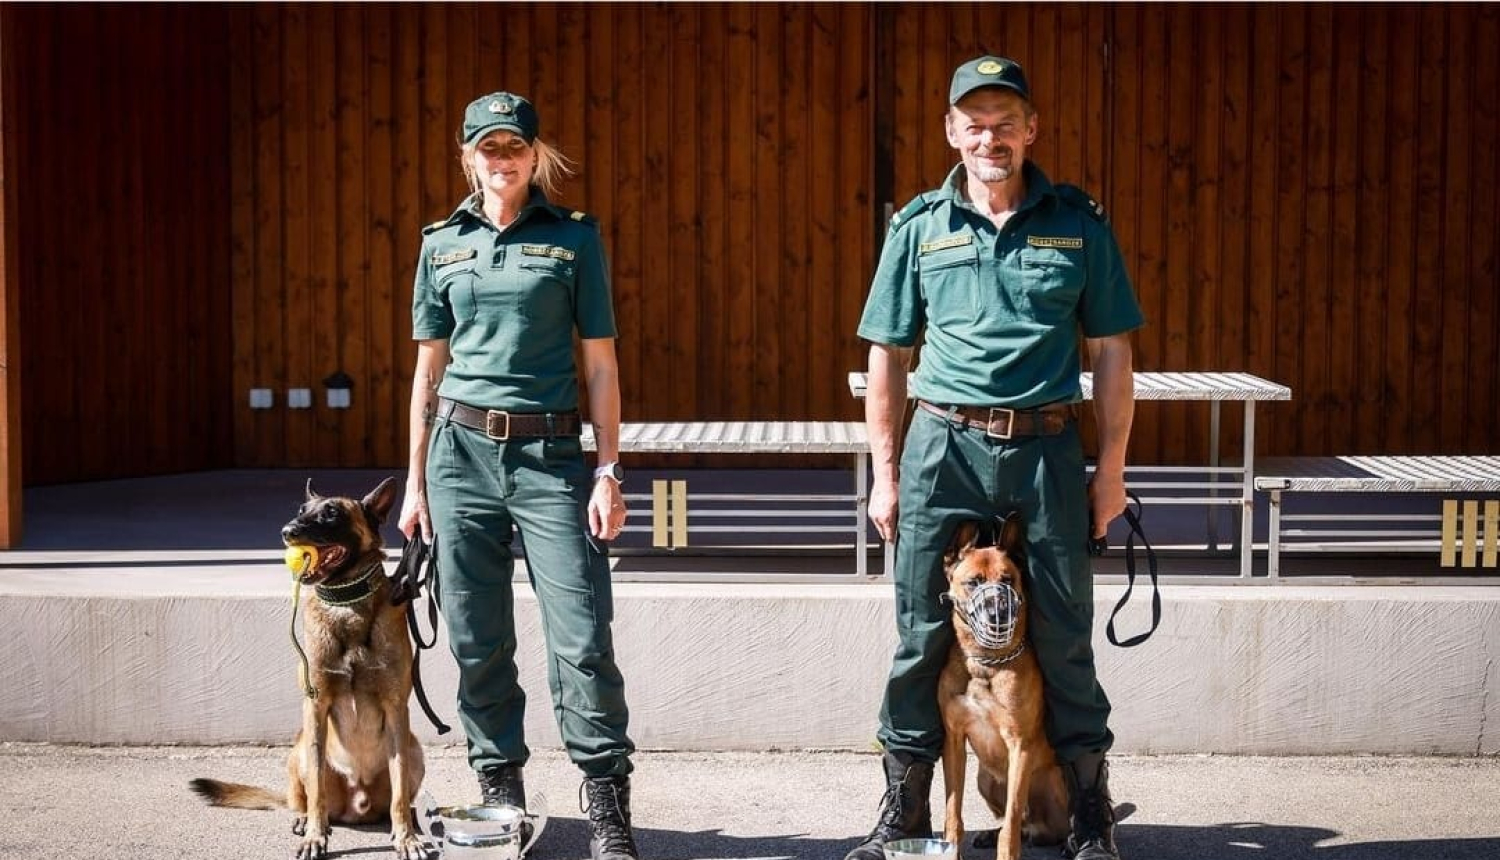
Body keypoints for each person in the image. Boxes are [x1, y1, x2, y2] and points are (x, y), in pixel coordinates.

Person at [847, 56, 1143, 860]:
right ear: (951, 132)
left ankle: (1088, 812)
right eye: (974, 124)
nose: (990, 138)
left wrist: (1111, 471)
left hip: (1045, 448)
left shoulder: (1077, 225)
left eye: (1005, 122)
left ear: (1031, 129)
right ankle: (905, 811)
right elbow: (887, 356)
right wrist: (885, 474)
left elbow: (1113, 351)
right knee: (921, 633)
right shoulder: (919, 227)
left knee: (1063, 630)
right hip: (942, 445)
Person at [398, 90, 640, 860]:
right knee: (476, 637)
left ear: (536, 156)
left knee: (582, 636)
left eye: (514, 147)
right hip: (459, 456)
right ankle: (500, 795)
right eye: (488, 148)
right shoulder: (441, 244)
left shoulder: (573, 239)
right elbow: (427, 371)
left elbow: (599, 365)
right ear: (468, 158)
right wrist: (414, 483)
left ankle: (607, 801)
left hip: (550, 458)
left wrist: (608, 469)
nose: (502, 159)